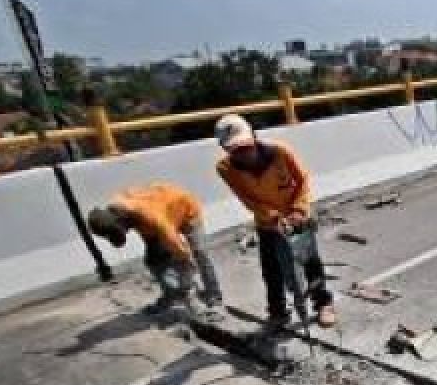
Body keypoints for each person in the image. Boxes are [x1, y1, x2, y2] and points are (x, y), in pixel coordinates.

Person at [213, 114, 337, 329]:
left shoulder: (280, 151)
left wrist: (298, 210)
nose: (243, 153)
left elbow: (303, 179)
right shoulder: (225, 168)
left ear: (253, 136)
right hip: (267, 222)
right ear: (226, 149)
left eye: (246, 146)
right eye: (236, 150)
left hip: (297, 215)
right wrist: (273, 217)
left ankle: (323, 303)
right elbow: (247, 198)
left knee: (310, 262)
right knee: (272, 269)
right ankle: (278, 312)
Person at [87, 183, 224, 320]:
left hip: (186, 208)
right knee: (155, 261)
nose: (124, 233)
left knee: (199, 253)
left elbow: (181, 251)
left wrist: (187, 275)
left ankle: (214, 296)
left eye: (118, 231)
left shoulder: (151, 217)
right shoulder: (117, 209)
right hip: (160, 211)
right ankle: (170, 296)